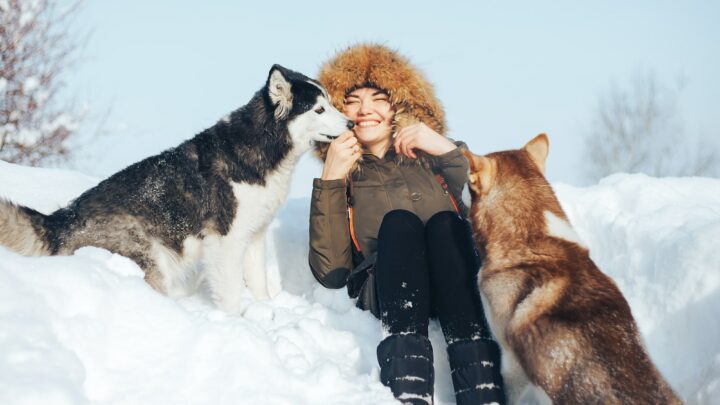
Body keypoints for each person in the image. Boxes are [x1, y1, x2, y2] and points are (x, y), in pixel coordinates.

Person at [308, 44, 506, 405]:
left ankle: (482, 392)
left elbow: (493, 204)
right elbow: (332, 271)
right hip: (390, 291)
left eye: (378, 98)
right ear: (338, 112)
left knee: (447, 224)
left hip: (455, 281)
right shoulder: (345, 176)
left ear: (399, 104)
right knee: (399, 223)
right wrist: (331, 180)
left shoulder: (432, 159)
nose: (365, 109)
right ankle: (409, 390)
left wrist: (445, 148)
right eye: (352, 100)